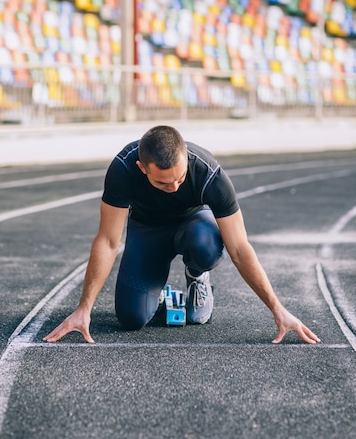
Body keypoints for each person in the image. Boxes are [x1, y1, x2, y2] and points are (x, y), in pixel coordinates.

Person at [44, 125, 320, 345]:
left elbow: (239, 247)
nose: (175, 187)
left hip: (194, 227)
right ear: (143, 168)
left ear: (185, 155)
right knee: (131, 319)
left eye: (180, 177)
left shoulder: (208, 172)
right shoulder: (124, 170)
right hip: (147, 231)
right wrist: (84, 308)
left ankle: (196, 276)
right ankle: (158, 294)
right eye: (163, 182)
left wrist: (278, 309)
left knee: (207, 245)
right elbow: (107, 241)